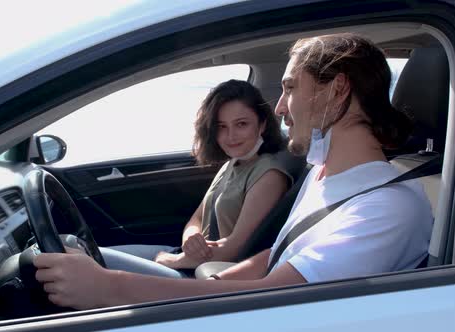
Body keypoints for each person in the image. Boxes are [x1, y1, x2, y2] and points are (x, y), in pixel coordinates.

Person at [33, 33, 434, 310]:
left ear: (337, 89)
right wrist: (219, 281)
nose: (279, 108)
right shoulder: (324, 172)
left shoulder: (386, 207)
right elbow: (284, 254)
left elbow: (272, 300)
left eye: (290, 88)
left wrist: (109, 289)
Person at [102, 79, 301, 277]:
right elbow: (196, 219)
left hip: (206, 275)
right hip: (189, 259)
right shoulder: (232, 163)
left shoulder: (269, 175)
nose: (230, 136)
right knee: (94, 253)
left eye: (241, 124)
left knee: (98, 263)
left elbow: (235, 249)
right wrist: (191, 239)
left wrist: (172, 260)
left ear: (262, 124)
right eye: (221, 126)